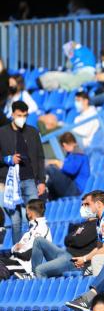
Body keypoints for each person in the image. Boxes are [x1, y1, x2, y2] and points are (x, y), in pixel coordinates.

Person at [0, 101, 46, 244]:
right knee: (15, 221)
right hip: (9, 182)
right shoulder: (2, 132)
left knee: (32, 218)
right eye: (19, 115)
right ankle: (17, 253)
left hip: (29, 180)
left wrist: (42, 180)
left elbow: (40, 157)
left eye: (25, 116)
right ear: (13, 114)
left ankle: (32, 249)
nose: (22, 118)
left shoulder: (32, 132)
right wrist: (7, 159)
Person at [29, 204, 97, 278]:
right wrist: (74, 238)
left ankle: (38, 280)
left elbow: (78, 241)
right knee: (39, 240)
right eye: (82, 205)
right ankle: (33, 275)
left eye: (86, 204)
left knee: (39, 270)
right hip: (65, 254)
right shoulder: (83, 224)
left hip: (74, 261)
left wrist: (74, 238)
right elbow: (67, 239)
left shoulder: (96, 225)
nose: (83, 207)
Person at [0, 199, 50, 279]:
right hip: (16, 261)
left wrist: (17, 250)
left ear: (30, 213)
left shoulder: (42, 228)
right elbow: (16, 248)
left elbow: (27, 254)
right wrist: (16, 249)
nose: (26, 213)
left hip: (25, 266)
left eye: (27, 210)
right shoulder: (30, 230)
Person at [45, 132, 90, 199]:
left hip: (76, 189)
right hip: (71, 186)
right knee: (49, 182)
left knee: (51, 169)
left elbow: (71, 170)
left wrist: (56, 162)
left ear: (64, 145)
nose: (64, 149)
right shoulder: (72, 154)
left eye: (63, 147)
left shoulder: (78, 154)